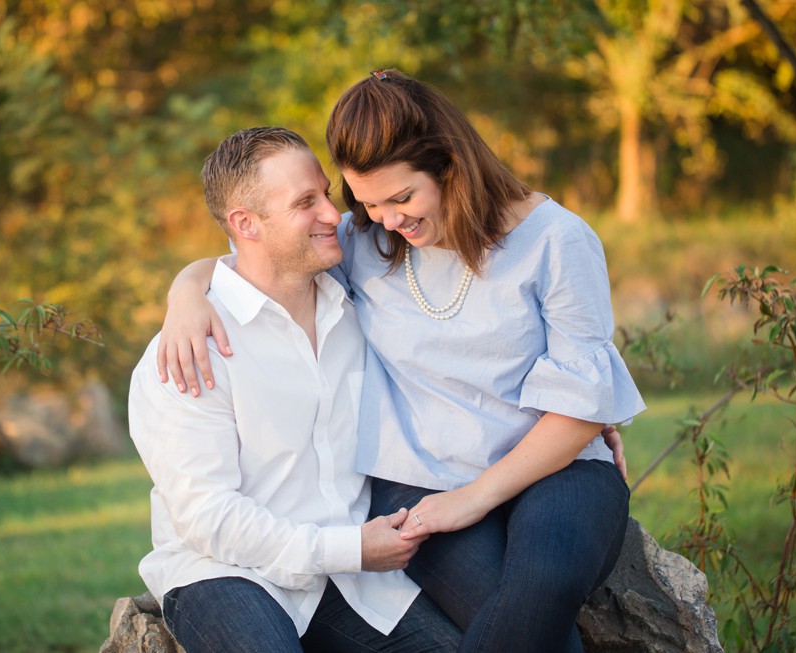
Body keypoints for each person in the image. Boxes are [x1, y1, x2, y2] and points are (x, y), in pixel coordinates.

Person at [157, 70, 646, 652]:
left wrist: (478, 495)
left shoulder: (558, 242)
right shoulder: (367, 241)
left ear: (448, 162)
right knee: (520, 617)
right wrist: (186, 291)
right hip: (419, 479)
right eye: (366, 202)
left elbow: (579, 407)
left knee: (546, 579)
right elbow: (259, 255)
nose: (389, 218)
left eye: (402, 197)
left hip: (553, 468)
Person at [128, 126, 461, 653]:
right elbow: (207, 517)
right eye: (306, 202)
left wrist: (570, 419)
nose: (334, 214)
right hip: (226, 575)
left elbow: (466, 345)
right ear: (246, 224)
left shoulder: (359, 300)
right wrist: (348, 548)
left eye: (325, 193)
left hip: (356, 579)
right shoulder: (191, 351)